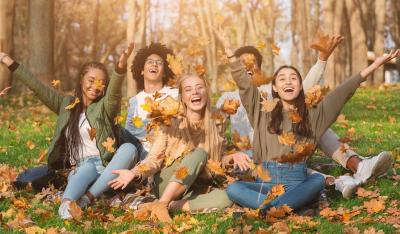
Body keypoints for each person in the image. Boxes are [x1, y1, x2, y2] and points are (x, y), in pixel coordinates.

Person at [216, 28, 399, 213]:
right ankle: (282, 207)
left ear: (300, 86)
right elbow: (244, 84)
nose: (288, 82)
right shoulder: (261, 110)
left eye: (293, 78)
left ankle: (272, 208)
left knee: (317, 180)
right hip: (266, 185)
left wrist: (375, 65)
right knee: (233, 189)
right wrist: (229, 51)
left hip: (298, 183)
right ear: (275, 87)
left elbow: (343, 91)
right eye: (282, 79)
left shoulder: (313, 116)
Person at [0, 44, 143, 219]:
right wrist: (6, 59)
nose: (96, 86)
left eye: (102, 82)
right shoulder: (66, 104)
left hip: (107, 168)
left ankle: (86, 200)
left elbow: (113, 95)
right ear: (82, 79)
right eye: (91, 80)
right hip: (83, 167)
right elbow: (37, 86)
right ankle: (67, 207)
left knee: (129, 148)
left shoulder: (104, 107)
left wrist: (120, 66)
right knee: (83, 170)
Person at [109, 73, 232, 222]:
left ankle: (168, 206)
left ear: (206, 91)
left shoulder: (217, 121)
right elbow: (154, 159)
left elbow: (219, 155)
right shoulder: (170, 122)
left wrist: (230, 157)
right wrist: (134, 173)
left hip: (196, 184)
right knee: (199, 153)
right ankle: (163, 202)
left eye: (199, 87)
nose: (195, 92)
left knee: (227, 198)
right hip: (168, 180)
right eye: (188, 89)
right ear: (183, 97)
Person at [125, 43, 178, 154]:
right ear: (142, 70)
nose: (154, 64)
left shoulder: (175, 94)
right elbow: (129, 134)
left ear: (164, 73)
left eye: (159, 63)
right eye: (150, 61)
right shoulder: (134, 101)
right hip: (139, 154)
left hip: (165, 152)